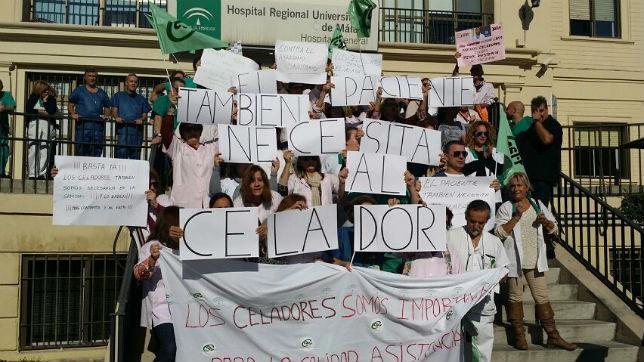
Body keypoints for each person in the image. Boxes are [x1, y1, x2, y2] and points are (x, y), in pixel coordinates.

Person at [494, 172, 576, 351]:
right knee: (514, 298)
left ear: (527, 187)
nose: (516, 189)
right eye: (513, 186)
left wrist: (545, 221)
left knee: (542, 298)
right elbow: (498, 233)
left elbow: (554, 228)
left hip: (535, 260)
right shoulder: (506, 208)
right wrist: (516, 217)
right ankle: (519, 337)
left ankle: (553, 336)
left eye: (519, 185)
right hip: (515, 261)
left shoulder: (537, 204)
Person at [447, 200, 509, 362]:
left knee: (482, 345)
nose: (476, 226)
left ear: (487, 221)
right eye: (472, 221)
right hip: (454, 300)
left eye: (481, 223)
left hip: (482, 302)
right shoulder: (450, 236)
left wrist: (500, 277)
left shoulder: (494, 242)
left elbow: (504, 270)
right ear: (466, 217)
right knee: (448, 344)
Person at [133, 206, 182, 362]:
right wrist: (153, 259)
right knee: (169, 348)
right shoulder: (152, 246)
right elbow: (139, 274)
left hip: (185, 307)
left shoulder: (190, 247)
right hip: (162, 309)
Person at [518, 96, 562, 206]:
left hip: (543, 179)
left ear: (547, 110)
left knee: (540, 211)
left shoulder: (553, 124)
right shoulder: (532, 128)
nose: (539, 114)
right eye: (535, 111)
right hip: (529, 179)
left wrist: (537, 121)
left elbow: (547, 139)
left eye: (541, 110)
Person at [279, 151, 348, 207]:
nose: (310, 161)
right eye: (306, 159)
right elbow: (282, 191)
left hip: (325, 219)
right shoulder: (295, 178)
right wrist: (288, 163)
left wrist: (342, 183)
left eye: (314, 158)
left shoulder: (328, 178)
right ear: (300, 162)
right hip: (303, 219)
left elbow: (342, 197)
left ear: (317, 161)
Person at [68, 68, 111, 157]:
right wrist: (73, 114)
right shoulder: (79, 90)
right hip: (83, 126)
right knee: (81, 151)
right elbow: (70, 105)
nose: (92, 78)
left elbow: (107, 107)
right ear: (85, 77)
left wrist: (106, 116)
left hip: (98, 127)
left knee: (96, 152)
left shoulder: (102, 93)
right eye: (90, 76)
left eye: (94, 76)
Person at [111, 73, 151, 159]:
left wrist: (141, 119)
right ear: (126, 83)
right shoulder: (118, 96)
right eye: (131, 81)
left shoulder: (141, 99)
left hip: (137, 133)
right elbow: (114, 110)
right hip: (122, 131)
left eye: (135, 82)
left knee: (135, 158)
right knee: (121, 157)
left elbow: (144, 115)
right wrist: (116, 117)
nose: (133, 83)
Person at [25, 81, 58, 179]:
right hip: (34, 124)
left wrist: (45, 102)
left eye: (47, 90)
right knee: (33, 149)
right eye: (44, 90)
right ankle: (32, 174)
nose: (46, 92)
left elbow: (52, 111)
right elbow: (30, 110)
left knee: (45, 150)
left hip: (47, 124)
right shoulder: (33, 97)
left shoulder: (51, 99)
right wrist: (42, 112)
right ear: (39, 90)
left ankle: (41, 173)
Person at [0, 79, 16, 177]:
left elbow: (13, 107)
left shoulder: (6, 95)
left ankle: (1, 172)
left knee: (4, 150)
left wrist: (4, 107)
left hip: (3, 127)